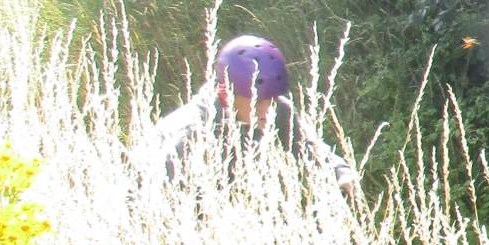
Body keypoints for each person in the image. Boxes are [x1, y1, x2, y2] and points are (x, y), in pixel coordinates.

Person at [150, 35, 359, 192]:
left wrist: (340, 172)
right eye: (257, 101)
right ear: (227, 92)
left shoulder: (278, 110)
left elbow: (309, 148)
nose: (267, 110)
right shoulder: (190, 134)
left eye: (272, 99)